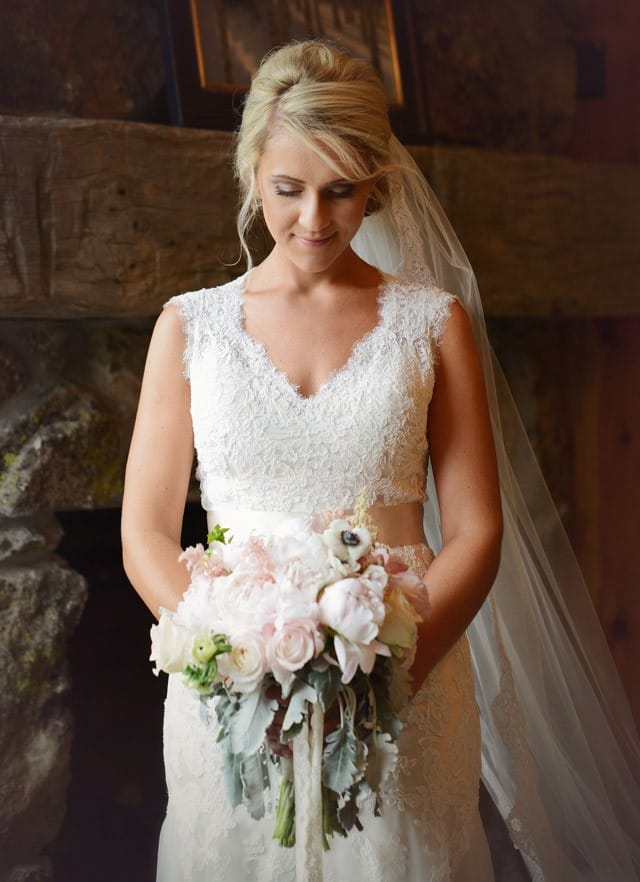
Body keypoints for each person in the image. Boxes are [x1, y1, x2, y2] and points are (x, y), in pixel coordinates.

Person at [121, 41, 640, 882]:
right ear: (252, 170)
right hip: (233, 696)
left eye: (341, 192)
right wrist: (235, 659)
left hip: (408, 685)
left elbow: (476, 529)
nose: (314, 221)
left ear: (376, 185)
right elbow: (144, 530)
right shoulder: (190, 328)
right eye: (289, 190)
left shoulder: (430, 325)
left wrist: (391, 674)